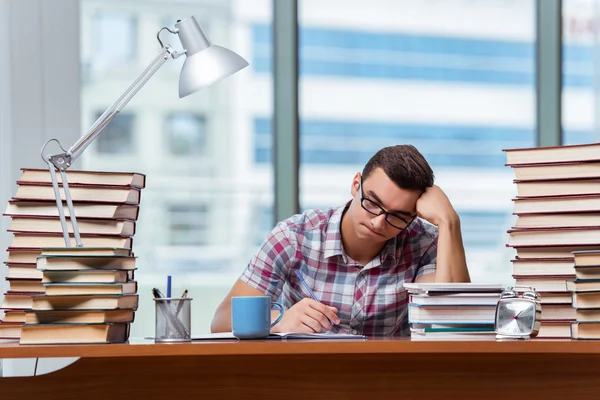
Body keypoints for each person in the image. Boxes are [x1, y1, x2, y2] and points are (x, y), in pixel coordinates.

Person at [211, 145, 470, 336]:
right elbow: (221, 322)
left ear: (414, 216)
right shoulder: (294, 237)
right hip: (302, 381)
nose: (378, 222)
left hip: (389, 384)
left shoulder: (423, 242)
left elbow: (451, 322)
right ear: (356, 184)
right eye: (372, 203)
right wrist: (278, 322)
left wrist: (449, 222)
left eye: (398, 217)